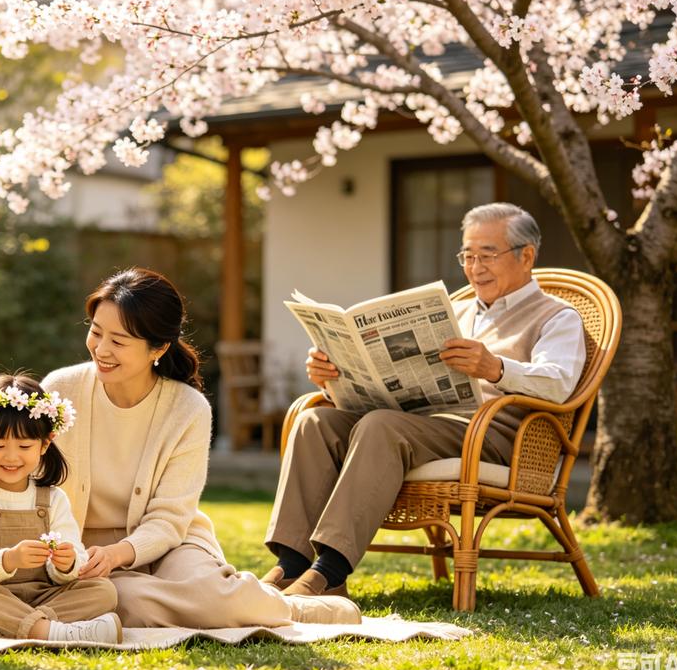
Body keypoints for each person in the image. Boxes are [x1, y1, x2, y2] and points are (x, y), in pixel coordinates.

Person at [263, 203, 587, 597]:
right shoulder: (455, 309)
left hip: (496, 437)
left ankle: (329, 572)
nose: (475, 266)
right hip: (425, 424)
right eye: (467, 256)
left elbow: (560, 384)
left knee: (381, 426)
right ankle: (291, 564)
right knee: (316, 422)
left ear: (527, 256)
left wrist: (496, 368)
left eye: (487, 254)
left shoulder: (557, 317)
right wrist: (332, 377)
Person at [42, 268, 361, 628]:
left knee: (205, 601)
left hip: (169, 544)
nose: (101, 349)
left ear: (158, 348)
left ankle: (288, 609)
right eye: (96, 332)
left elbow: (169, 520)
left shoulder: (187, 408)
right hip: (78, 551)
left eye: (118, 341)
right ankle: (222, 603)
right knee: (122, 598)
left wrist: (120, 554)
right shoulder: (61, 389)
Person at [0, 373, 122, 643]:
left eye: (24, 446)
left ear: (45, 444)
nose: (11, 456)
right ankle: (51, 631)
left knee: (103, 589)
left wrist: (67, 563)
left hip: (41, 597)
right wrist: (9, 559)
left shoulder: (53, 498)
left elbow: (75, 556)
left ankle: (5, 627)